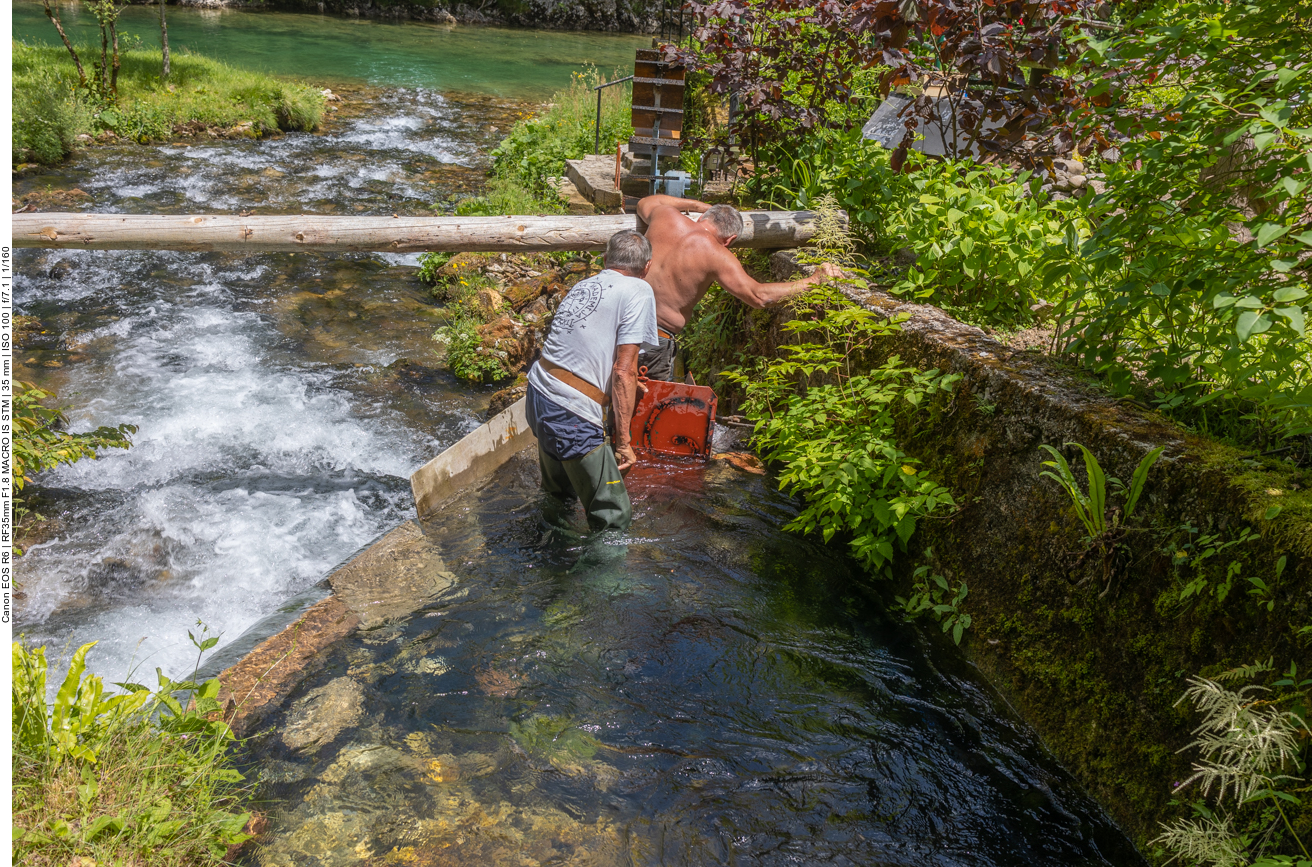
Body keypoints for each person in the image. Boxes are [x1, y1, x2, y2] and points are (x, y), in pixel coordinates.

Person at [524, 229, 659, 531]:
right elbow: (624, 370)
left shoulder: (585, 284)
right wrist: (624, 443)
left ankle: (550, 556)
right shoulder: (638, 290)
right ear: (646, 268)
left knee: (558, 496)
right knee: (614, 517)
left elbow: (582, 350)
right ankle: (605, 580)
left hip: (538, 393)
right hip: (569, 411)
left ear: (604, 259)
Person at [634, 194, 844, 381]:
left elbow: (645, 201)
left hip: (620, 316)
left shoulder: (665, 215)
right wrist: (814, 281)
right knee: (643, 415)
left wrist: (699, 205)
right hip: (653, 339)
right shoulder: (717, 254)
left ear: (702, 217)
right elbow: (759, 296)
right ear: (730, 239)